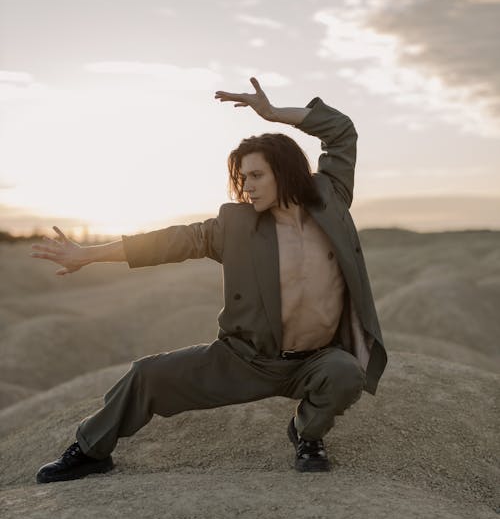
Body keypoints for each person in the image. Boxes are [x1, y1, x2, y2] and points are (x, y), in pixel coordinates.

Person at [32, 77, 387, 483]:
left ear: (285, 171)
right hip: (244, 360)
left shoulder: (331, 199)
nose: (247, 187)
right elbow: (173, 241)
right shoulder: (236, 226)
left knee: (345, 372)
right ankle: (90, 449)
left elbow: (340, 130)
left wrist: (273, 114)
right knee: (147, 375)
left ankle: (307, 433)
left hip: (315, 360)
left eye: (256, 176)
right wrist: (89, 255)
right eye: (243, 177)